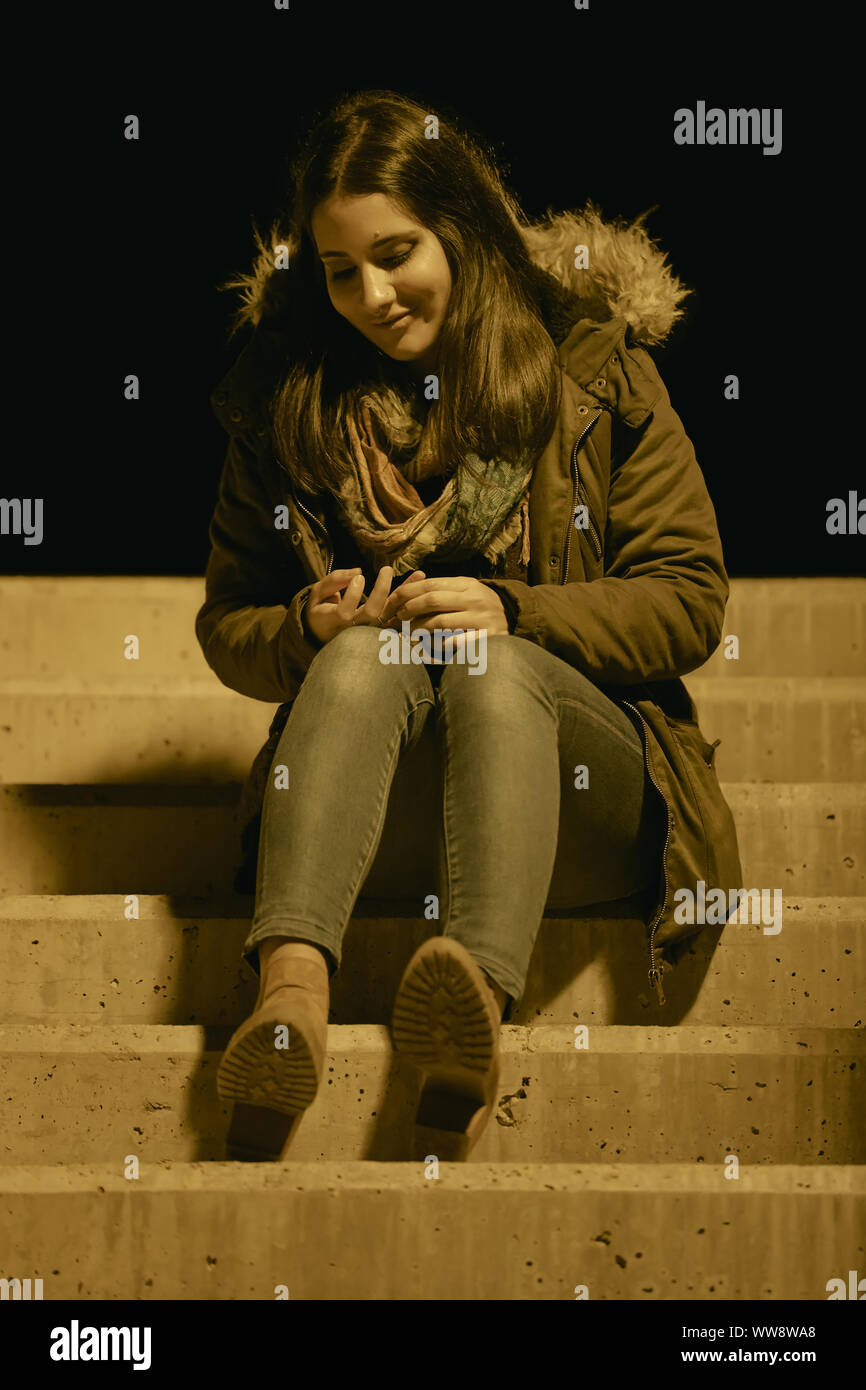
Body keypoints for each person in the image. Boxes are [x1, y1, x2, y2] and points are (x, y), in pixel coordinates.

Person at [195, 89, 743, 1162]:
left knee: (491, 665)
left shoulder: (589, 367)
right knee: (360, 654)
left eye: (396, 254)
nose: (372, 294)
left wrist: (516, 610)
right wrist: (304, 626)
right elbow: (229, 623)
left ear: (462, 226)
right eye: (341, 270)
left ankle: (469, 1012)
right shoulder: (286, 401)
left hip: (583, 807)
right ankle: (288, 1001)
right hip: (373, 806)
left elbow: (686, 595)